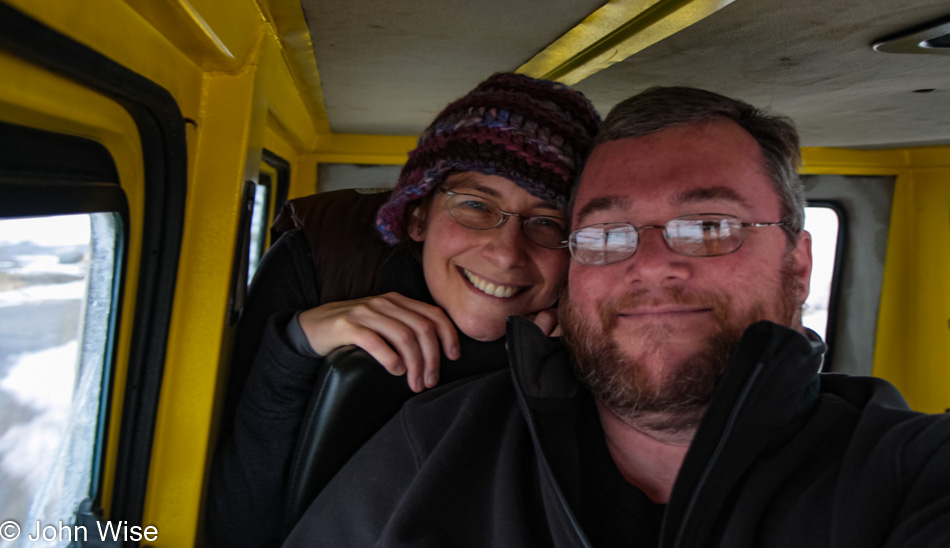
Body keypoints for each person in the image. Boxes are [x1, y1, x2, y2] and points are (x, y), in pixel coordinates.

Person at [283, 87, 950, 547]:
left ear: (797, 263)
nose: (652, 264)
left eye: (710, 224)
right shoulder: (434, 446)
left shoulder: (911, 475)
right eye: (607, 234)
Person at [206, 73, 601, 548]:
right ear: (417, 216)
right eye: (476, 205)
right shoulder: (316, 269)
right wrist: (295, 344)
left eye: (546, 221)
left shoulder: (603, 335)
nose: (506, 253)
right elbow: (235, 527)